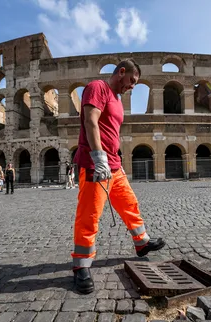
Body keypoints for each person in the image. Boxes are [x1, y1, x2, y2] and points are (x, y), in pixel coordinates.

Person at [71, 59, 165, 294]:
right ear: (121, 72)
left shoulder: (117, 100)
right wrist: (98, 157)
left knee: (129, 204)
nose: (132, 86)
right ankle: (81, 265)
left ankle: (142, 243)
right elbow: (90, 121)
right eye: (131, 80)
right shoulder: (97, 88)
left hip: (114, 164)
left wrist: (116, 162)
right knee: (90, 214)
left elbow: (112, 132)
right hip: (95, 164)